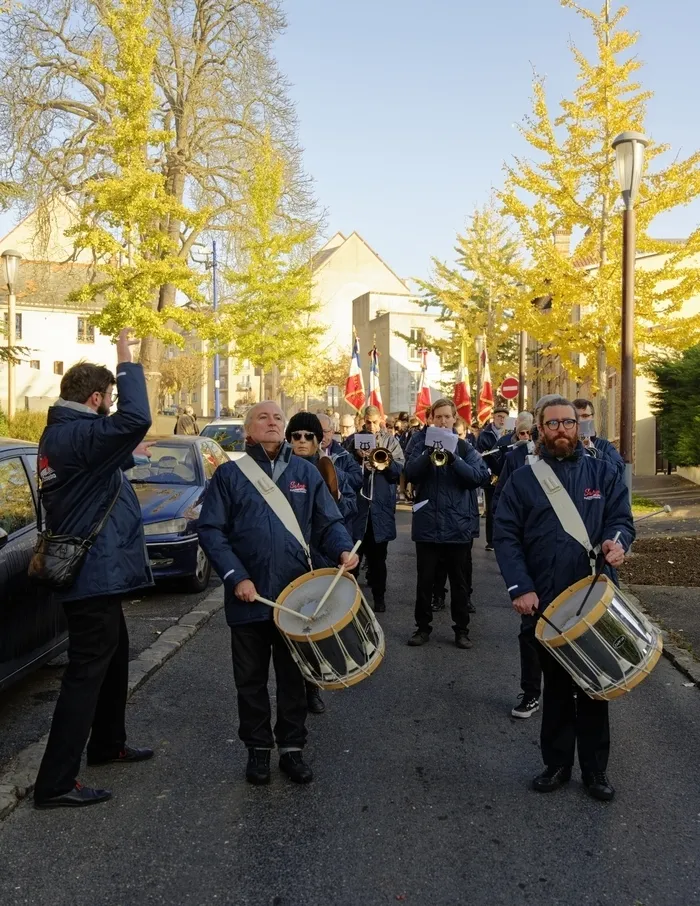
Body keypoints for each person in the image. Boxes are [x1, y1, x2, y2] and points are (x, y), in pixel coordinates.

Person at [197, 402, 358, 786]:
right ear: (248, 431)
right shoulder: (230, 475)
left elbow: (327, 521)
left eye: (278, 418)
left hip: (295, 598)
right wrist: (236, 576)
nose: (272, 422)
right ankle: (257, 750)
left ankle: (292, 749)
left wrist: (342, 549)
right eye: (263, 418)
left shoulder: (305, 471)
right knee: (250, 681)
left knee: (292, 678)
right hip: (248, 596)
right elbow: (211, 530)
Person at [33, 328, 154, 810]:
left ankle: (108, 744)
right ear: (99, 398)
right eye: (108, 402)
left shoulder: (64, 433)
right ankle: (56, 782)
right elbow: (137, 417)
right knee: (86, 674)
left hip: (95, 574)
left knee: (115, 656)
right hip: (91, 575)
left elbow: (101, 463)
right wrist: (127, 359)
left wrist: (125, 457)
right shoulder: (77, 433)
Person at [493, 397, 634, 802]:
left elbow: (621, 521)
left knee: (594, 682)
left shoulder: (603, 473)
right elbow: (505, 536)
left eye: (568, 422)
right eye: (552, 423)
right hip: (545, 599)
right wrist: (520, 587)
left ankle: (595, 770)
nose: (561, 430)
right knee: (555, 685)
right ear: (539, 429)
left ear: (579, 426)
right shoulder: (522, 479)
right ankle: (556, 764)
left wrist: (617, 542)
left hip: (594, 593)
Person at [286, 411, 359, 716]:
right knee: (290, 627)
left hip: (320, 559)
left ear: (318, 441)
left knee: (314, 626)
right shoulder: (280, 470)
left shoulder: (331, 467)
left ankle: (312, 688)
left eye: (308, 436)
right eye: (296, 436)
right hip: (289, 561)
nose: (302, 441)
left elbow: (350, 507)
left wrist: (337, 495)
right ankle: (292, 691)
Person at [405, 399, 490, 649]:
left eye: (447, 417)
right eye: (438, 417)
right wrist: (427, 455)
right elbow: (409, 473)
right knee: (424, 582)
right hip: (428, 525)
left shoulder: (464, 448)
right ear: (431, 419)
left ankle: (462, 629)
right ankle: (422, 628)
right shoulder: (420, 444)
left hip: (457, 526)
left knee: (459, 583)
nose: (442, 421)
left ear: (455, 419)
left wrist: (454, 459)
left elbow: (479, 477)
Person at [347, 405, 404, 612]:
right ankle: (351, 600)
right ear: (363, 420)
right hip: (358, 507)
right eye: (368, 422)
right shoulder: (353, 440)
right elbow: (343, 469)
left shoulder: (390, 440)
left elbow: (399, 470)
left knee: (379, 558)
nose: (371, 426)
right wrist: (356, 456)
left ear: (381, 420)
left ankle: (379, 598)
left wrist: (384, 462)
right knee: (353, 556)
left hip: (380, 506)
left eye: (374, 422)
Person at [476, 407, 509, 551]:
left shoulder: (510, 434)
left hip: (506, 475)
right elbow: (481, 456)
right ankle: (491, 541)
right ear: (493, 417)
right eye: (499, 416)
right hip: (491, 477)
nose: (502, 420)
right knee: (491, 509)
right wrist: (489, 472)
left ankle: (505, 538)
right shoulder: (485, 435)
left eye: (504, 417)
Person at [572, 399, 625, 477]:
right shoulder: (565, 446)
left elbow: (619, 468)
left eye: (585, 416)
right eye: (576, 416)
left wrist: (596, 453)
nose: (580, 420)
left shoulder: (604, 445)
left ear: (592, 417)